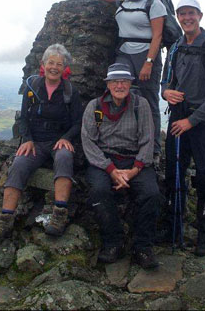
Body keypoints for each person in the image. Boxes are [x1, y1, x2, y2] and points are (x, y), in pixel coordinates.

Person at [0, 44, 83, 241]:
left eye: (59, 64)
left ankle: (59, 216)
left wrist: (66, 138)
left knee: (65, 157)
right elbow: (23, 118)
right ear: (43, 64)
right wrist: (28, 140)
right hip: (36, 141)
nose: (54, 67)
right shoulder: (32, 87)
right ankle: (5, 220)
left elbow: (77, 122)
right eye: (51, 62)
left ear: (64, 68)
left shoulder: (70, 92)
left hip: (58, 141)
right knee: (20, 162)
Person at [161, 0, 205, 256]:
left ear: (200, 15)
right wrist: (166, 93)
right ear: (178, 17)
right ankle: (172, 226)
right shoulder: (177, 46)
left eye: (191, 13)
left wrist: (192, 120)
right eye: (182, 14)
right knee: (173, 173)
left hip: (201, 121)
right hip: (178, 116)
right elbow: (165, 81)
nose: (186, 18)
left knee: (204, 176)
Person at [82, 63, 160, 269]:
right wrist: (111, 171)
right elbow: (89, 143)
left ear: (130, 84)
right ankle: (113, 243)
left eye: (124, 81)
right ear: (107, 85)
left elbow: (147, 140)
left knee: (151, 193)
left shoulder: (140, 105)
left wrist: (134, 171)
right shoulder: (94, 107)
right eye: (115, 81)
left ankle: (143, 247)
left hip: (135, 161)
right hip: (104, 161)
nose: (119, 85)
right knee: (98, 190)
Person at [92, 0, 167, 164]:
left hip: (146, 54)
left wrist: (149, 62)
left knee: (149, 100)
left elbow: (158, 35)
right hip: (124, 53)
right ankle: (123, 143)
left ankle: (154, 150)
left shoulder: (154, 2)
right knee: (120, 96)